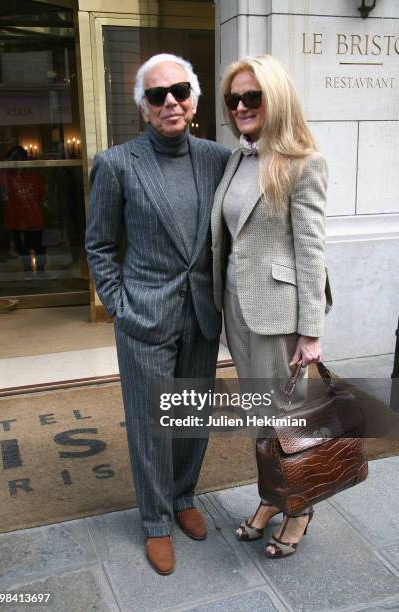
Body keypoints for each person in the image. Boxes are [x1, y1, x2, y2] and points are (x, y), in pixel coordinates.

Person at [85, 53, 230, 575]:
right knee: (151, 424)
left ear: (193, 98)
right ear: (144, 109)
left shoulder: (218, 158)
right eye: (156, 95)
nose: (170, 101)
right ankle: (154, 521)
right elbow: (99, 244)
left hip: (200, 314)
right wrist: (120, 306)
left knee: (192, 416)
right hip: (144, 314)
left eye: (179, 91)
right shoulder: (116, 163)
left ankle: (184, 496)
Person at [211, 55, 332, 559]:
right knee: (263, 415)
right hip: (238, 310)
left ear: (275, 99)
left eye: (251, 97)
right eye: (233, 99)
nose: (240, 106)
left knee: (286, 419)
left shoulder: (304, 161)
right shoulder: (239, 157)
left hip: (279, 315)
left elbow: (311, 250)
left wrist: (311, 331)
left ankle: (299, 505)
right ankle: (270, 497)